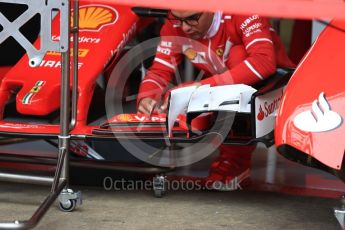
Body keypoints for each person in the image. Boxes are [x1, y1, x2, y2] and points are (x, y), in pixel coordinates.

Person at [137, 10, 295, 190]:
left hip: (277, 84)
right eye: (178, 19)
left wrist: (200, 88)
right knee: (180, 98)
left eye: (192, 19)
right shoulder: (175, 24)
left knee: (237, 54)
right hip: (225, 81)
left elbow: (263, 62)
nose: (185, 27)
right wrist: (146, 98)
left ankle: (235, 161)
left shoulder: (241, 10)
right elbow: (159, 71)